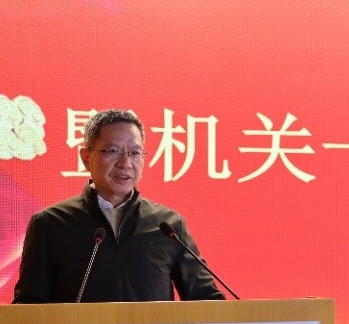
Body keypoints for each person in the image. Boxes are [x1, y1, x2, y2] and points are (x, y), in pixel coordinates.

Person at [12, 109, 225, 303]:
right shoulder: (50, 224)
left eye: (135, 152)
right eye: (113, 151)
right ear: (86, 157)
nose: (125, 163)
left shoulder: (168, 225)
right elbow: (28, 306)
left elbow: (206, 299)